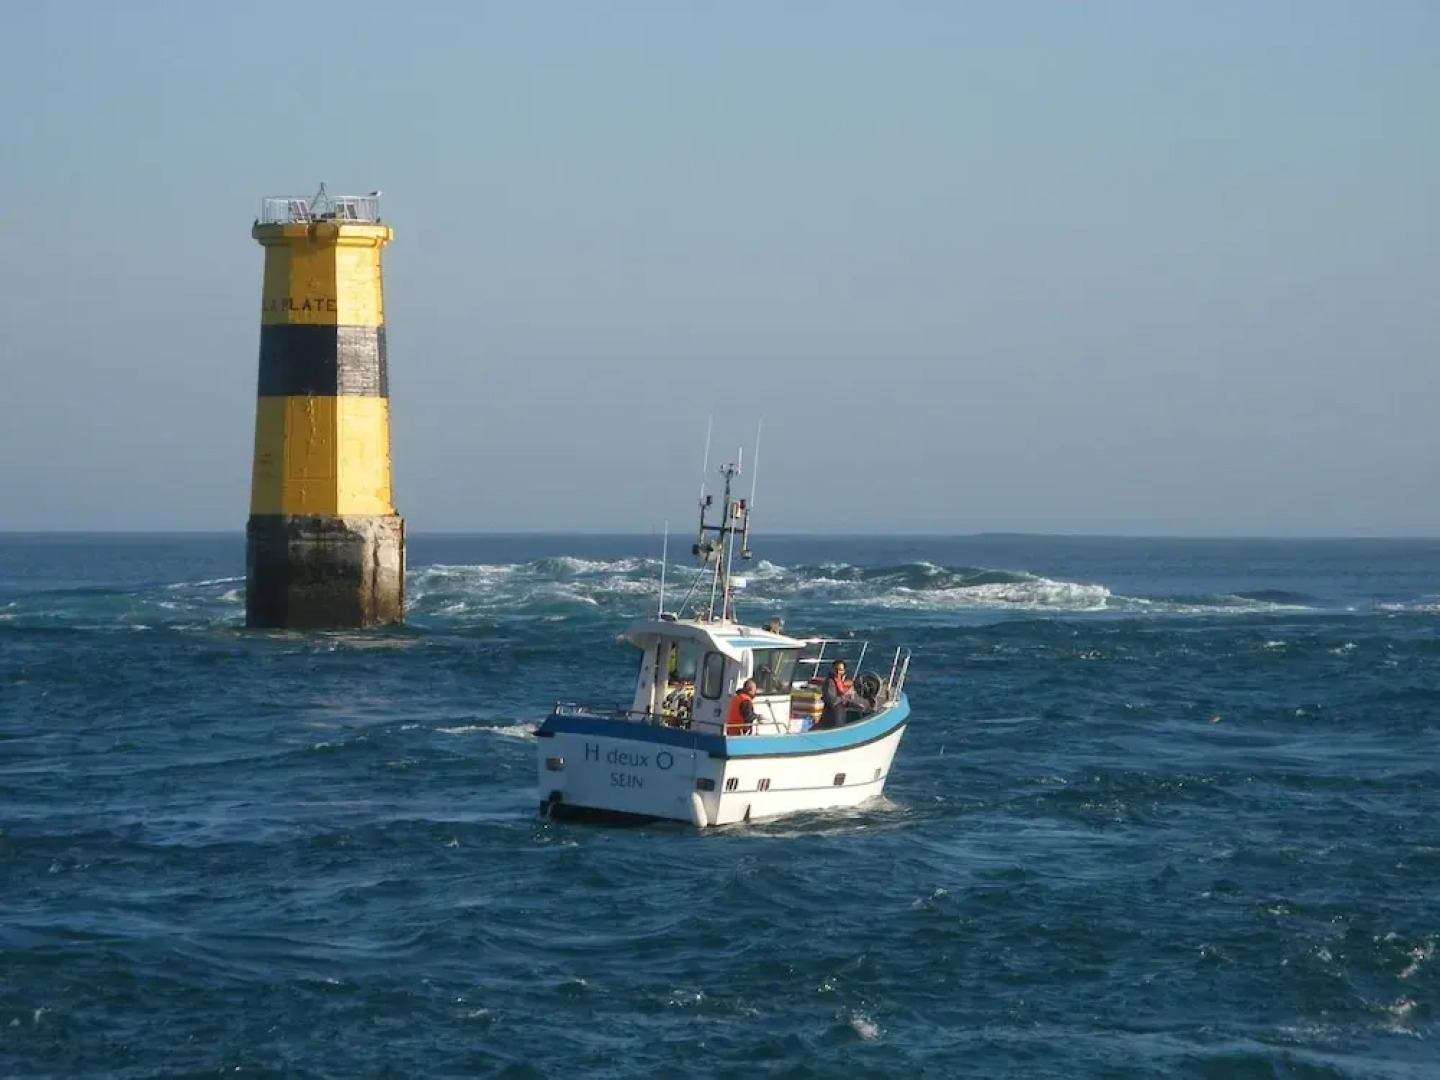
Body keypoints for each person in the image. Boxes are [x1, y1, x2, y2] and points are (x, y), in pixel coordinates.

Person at [818, 660, 868, 730]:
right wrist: (846, 694)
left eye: (841, 670)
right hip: (832, 715)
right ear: (832, 670)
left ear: (844, 671)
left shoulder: (839, 681)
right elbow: (832, 701)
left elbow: (844, 700)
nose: (838, 672)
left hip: (840, 714)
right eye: (836, 670)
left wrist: (856, 705)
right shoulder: (830, 682)